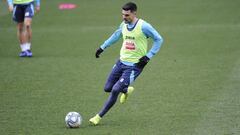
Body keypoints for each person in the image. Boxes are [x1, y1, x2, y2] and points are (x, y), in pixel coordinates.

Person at [89, 2, 164, 125]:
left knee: (115, 90)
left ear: (134, 13)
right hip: (120, 62)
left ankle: (98, 116)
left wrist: (148, 56)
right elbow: (116, 35)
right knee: (107, 88)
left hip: (134, 66)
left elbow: (159, 39)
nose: (124, 17)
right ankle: (126, 90)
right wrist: (102, 47)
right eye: (123, 14)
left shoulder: (144, 26)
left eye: (127, 15)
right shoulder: (124, 24)